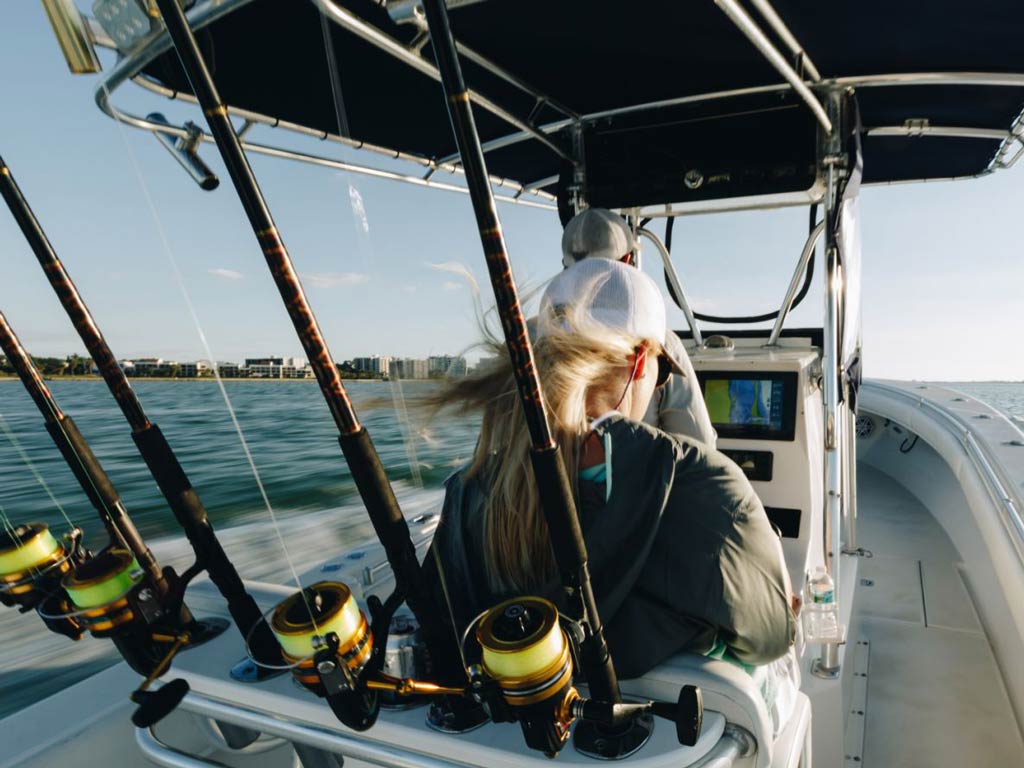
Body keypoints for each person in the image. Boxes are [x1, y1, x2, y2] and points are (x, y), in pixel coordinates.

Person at [425, 258, 795, 679]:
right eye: (660, 376)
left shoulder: (468, 491)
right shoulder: (708, 488)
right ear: (640, 362)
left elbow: (444, 622)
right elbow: (772, 637)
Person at [561, 207, 717, 447]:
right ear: (627, 261)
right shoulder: (659, 342)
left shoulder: (530, 339)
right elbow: (699, 443)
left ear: (565, 266)